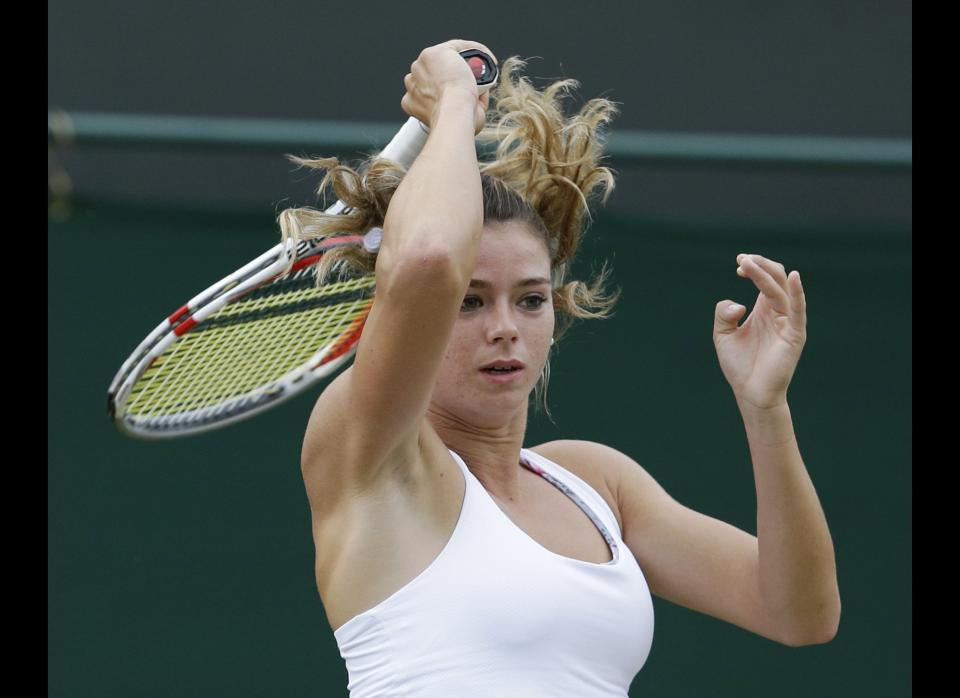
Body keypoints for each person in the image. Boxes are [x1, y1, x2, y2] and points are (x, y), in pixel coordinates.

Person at [280, 39, 841, 696]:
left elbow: (799, 613)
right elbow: (429, 259)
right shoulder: (368, 450)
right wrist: (454, 107)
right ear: (411, 313)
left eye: (531, 299)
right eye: (468, 301)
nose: (504, 329)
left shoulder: (595, 481)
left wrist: (765, 410)